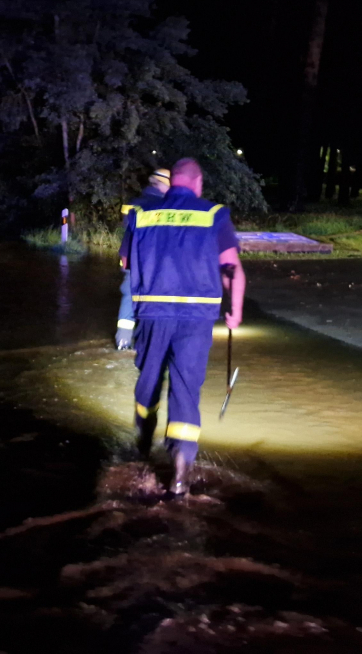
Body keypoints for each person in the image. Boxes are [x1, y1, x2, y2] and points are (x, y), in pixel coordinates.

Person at [120, 158, 245, 495]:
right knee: (186, 390)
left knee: (149, 380)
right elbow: (232, 267)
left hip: (152, 313)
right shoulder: (214, 214)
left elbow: (127, 262)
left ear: (172, 181)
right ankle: (179, 474)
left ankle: (143, 442)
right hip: (197, 318)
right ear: (197, 182)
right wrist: (234, 311)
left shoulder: (141, 214)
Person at [114, 169, 172, 350]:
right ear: (165, 185)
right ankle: (149, 345)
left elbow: (128, 231)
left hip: (132, 260)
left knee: (129, 299)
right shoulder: (166, 206)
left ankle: (122, 343)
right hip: (155, 264)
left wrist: (125, 258)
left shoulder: (134, 203)